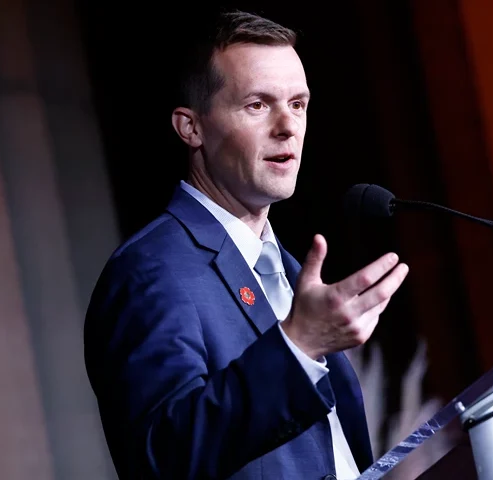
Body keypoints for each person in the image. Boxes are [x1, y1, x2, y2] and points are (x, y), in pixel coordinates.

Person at [84, 10, 410, 480]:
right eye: (258, 105)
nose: (287, 126)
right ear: (190, 128)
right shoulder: (151, 271)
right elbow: (165, 457)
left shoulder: (290, 269)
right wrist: (298, 346)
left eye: (298, 104)